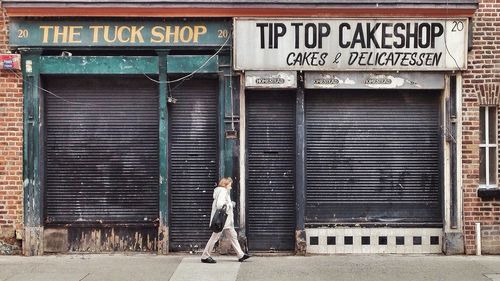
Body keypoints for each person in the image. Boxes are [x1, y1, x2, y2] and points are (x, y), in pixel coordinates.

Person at [201, 177, 250, 264]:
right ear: (225, 184)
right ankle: (205, 256)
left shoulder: (220, 191)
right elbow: (220, 205)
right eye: (230, 185)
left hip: (226, 222)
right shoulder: (223, 191)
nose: (231, 187)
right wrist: (231, 204)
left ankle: (241, 255)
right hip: (222, 221)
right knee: (214, 238)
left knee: (233, 236)